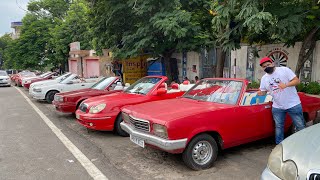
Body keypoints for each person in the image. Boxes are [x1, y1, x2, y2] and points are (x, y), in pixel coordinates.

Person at [257, 57, 305, 144]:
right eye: (264, 67)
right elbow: (264, 91)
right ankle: (279, 146)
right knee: (279, 127)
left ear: (273, 63)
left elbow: (297, 81)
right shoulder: (264, 78)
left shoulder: (284, 70)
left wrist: (286, 85)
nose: (266, 67)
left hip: (293, 104)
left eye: (268, 65)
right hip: (277, 106)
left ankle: (304, 145)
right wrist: (261, 93)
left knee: (300, 125)